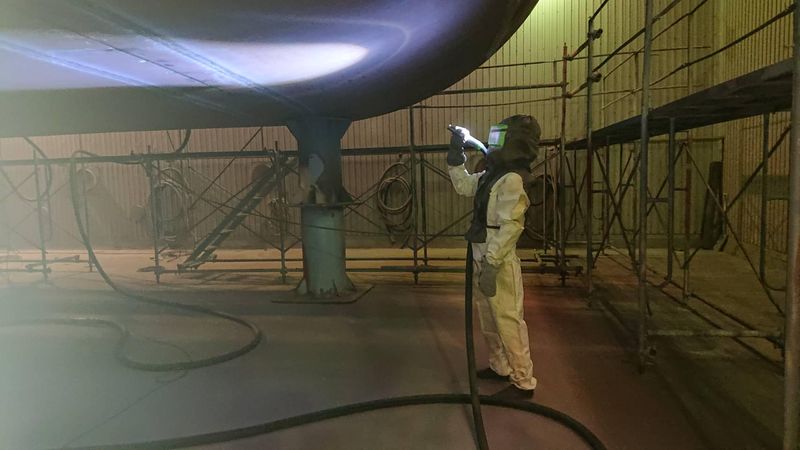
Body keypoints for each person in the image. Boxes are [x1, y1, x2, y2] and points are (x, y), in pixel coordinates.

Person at [447, 115, 540, 400]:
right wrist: (456, 157)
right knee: (488, 317)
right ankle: (500, 366)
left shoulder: (512, 180)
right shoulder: (491, 176)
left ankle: (524, 381)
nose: (492, 142)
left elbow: (511, 226)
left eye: (499, 137)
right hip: (482, 252)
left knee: (508, 320)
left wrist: (492, 262)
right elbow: (464, 186)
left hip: (498, 260)